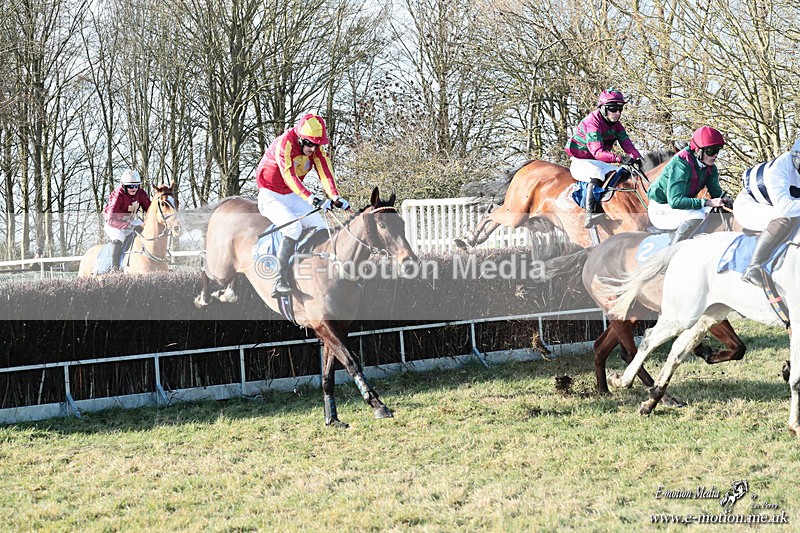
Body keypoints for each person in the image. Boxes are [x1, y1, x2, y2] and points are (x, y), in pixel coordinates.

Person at [255, 113, 350, 297]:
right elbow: (288, 175)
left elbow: (325, 172)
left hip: (290, 194)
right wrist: (311, 198)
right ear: (300, 138)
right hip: (270, 194)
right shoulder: (285, 143)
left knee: (321, 227)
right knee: (293, 228)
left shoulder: (316, 150)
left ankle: (315, 273)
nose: (313, 148)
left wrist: (335, 196)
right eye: (309, 143)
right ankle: (279, 280)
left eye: (317, 144)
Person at [565, 88, 643, 228]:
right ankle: (591, 213)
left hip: (598, 161)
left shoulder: (617, 125)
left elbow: (628, 145)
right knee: (597, 174)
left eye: (620, 109)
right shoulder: (592, 122)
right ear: (602, 108)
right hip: (581, 161)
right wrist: (620, 158)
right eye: (613, 109)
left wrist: (638, 159)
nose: (617, 113)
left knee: (623, 174)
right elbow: (598, 152)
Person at [733, 138, 800, 287]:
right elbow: (785, 208)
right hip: (750, 204)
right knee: (783, 219)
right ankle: (753, 267)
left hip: (776, 203)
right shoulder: (779, 170)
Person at [647, 126, 729, 244]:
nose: (715, 155)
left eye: (718, 150)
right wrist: (707, 202)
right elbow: (675, 201)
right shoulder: (681, 164)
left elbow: (717, 195)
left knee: (714, 212)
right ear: (697, 150)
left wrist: (726, 200)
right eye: (711, 151)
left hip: (681, 207)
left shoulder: (711, 168)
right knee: (697, 215)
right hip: (661, 207)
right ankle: (671, 253)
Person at [102, 169, 151, 271]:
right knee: (120, 236)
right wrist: (127, 226)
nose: (134, 189)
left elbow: (149, 209)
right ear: (124, 186)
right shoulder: (118, 196)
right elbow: (110, 220)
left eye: (136, 186)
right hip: (113, 224)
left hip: (130, 221)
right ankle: (114, 268)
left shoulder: (141, 193)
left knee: (146, 230)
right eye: (130, 186)